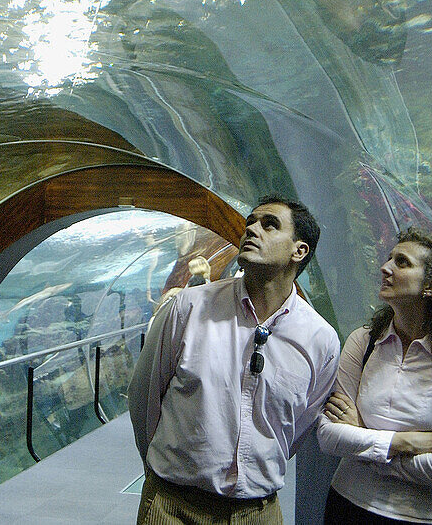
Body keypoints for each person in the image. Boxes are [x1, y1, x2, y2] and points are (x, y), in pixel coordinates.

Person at [129, 195, 340, 525]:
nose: (252, 229)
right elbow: (145, 396)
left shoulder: (320, 339)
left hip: (257, 511)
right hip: (172, 505)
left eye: (269, 225)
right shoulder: (189, 307)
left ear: (299, 251)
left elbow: (299, 426)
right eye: (250, 223)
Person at [316, 227, 432, 525]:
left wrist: (366, 444)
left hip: (426, 519)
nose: (385, 267)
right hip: (348, 504)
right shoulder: (363, 341)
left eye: (402, 262)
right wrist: (405, 442)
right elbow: (329, 436)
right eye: (389, 258)